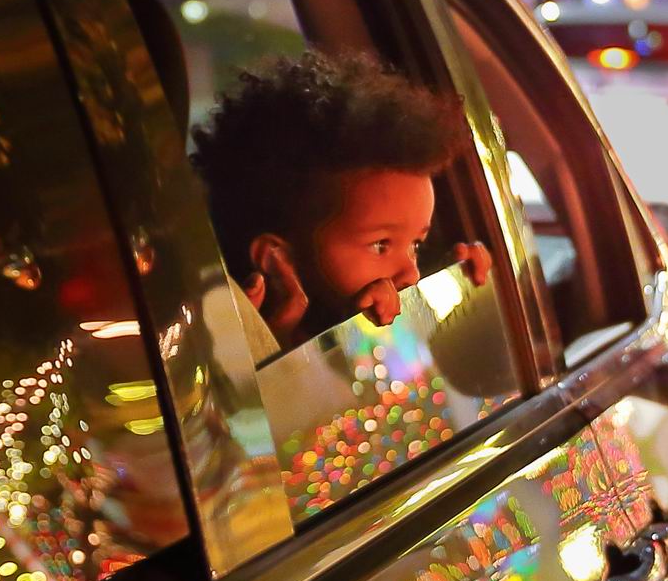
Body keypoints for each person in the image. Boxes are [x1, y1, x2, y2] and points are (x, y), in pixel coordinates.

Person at [192, 50, 491, 356]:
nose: (412, 275)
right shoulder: (217, 349)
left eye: (416, 245)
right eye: (381, 245)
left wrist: (460, 286)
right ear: (275, 260)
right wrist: (275, 349)